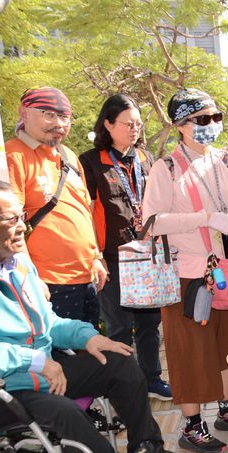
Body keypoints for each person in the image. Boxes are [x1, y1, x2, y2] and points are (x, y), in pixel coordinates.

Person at [0, 179, 212, 453]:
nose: (22, 226)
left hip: (45, 372)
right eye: (10, 219)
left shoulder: (16, 265)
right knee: (66, 413)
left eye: (21, 216)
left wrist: (89, 338)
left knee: (119, 363)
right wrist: (34, 361)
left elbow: (49, 323)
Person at [143, 88, 228, 453]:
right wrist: (204, 218)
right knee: (189, 350)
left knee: (227, 344)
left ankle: (227, 410)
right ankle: (193, 426)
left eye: (216, 117)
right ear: (181, 124)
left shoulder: (226, 161)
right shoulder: (166, 168)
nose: (212, 124)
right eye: (202, 119)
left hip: (225, 270)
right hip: (186, 275)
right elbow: (151, 222)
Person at [78, 94, 172, 401]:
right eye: (128, 124)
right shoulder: (90, 162)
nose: (135, 129)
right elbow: (86, 213)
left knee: (149, 323)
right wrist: (95, 255)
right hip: (112, 257)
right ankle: (124, 388)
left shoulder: (145, 158)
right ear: (108, 124)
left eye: (138, 124)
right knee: (118, 326)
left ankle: (152, 380)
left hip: (145, 254)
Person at [5, 87, 108, 327]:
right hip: (48, 281)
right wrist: (30, 277)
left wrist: (96, 257)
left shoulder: (68, 155)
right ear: (24, 113)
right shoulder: (14, 154)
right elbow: (10, 225)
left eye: (64, 116)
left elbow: (84, 210)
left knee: (88, 346)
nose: (59, 123)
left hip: (86, 277)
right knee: (60, 350)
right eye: (48, 114)